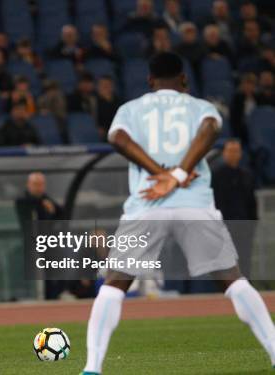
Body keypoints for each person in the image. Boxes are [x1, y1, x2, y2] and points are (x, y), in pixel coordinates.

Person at [79, 52, 275, 375]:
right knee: (233, 280)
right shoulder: (200, 107)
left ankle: (92, 368)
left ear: (150, 82)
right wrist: (178, 176)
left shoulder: (131, 109)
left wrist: (159, 174)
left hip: (146, 204)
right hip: (194, 203)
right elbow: (211, 129)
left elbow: (117, 138)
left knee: (114, 285)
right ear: (184, 80)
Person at [212, 139, 257, 277]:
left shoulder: (247, 175)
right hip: (224, 225)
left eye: (236, 151)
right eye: (230, 151)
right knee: (226, 261)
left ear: (240, 154)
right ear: (224, 153)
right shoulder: (216, 176)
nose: (233, 154)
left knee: (245, 259)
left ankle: (246, 286)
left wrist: (253, 222)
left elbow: (251, 202)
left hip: (244, 225)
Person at [15, 172, 64, 300]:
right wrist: (42, 203)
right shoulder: (23, 199)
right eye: (35, 184)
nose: (39, 188)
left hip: (47, 241)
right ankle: (28, 296)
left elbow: (60, 212)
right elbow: (25, 205)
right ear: (29, 185)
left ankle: (51, 296)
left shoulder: (46, 198)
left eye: (41, 184)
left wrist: (51, 211)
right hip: (27, 243)